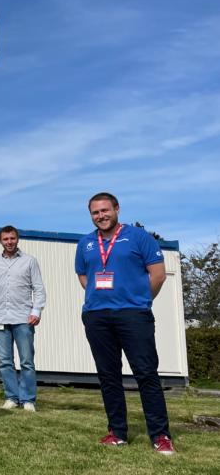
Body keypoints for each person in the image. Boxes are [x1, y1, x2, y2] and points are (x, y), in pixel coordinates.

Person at [75, 192, 175, 455]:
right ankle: (117, 432)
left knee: (146, 374)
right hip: (97, 315)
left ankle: (161, 435)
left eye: (105, 210)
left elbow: (158, 275)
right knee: (108, 376)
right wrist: (100, 295)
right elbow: (84, 276)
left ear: (117, 209)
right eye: (95, 213)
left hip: (133, 314)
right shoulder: (85, 242)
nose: (101, 216)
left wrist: (139, 300)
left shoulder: (139, 237)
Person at [0, 225, 46, 412]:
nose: (9, 242)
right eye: (5, 239)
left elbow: (39, 289)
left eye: (12, 238)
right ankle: (11, 397)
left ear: (17, 239)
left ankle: (28, 399)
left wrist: (36, 311)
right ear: (0, 241)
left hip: (24, 318)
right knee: (5, 361)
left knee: (26, 361)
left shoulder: (29, 261)